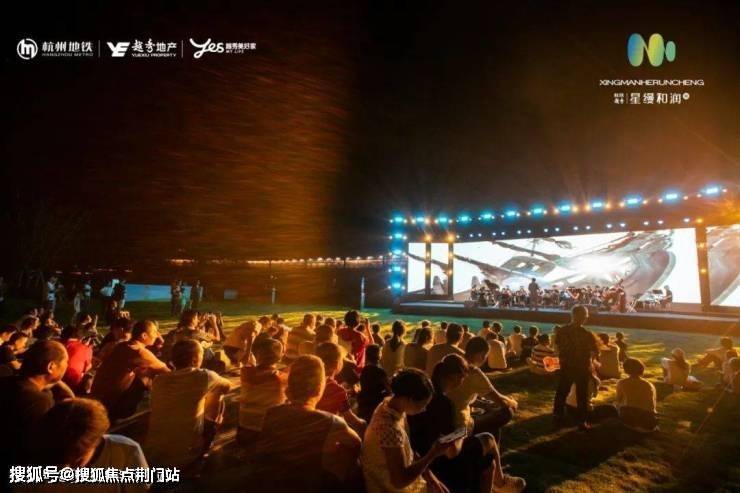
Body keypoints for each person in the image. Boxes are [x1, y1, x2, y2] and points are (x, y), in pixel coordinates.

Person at [409, 354, 526, 493]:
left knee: (489, 460)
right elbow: (452, 451)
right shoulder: (443, 403)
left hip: (422, 456)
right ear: (455, 377)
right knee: (488, 439)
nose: (462, 382)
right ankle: (500, 482)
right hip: (439, 462)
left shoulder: (425, 395)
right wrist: (462, 431)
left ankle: (499, 481)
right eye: (463, 378)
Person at [253, 355, 362, 493]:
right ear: (320, 387)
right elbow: (356, 443)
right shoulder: (331, 422)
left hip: (270, 482)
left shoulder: (271, 412)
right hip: (308, 484)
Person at [30, 398, 149, 493]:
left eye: (76, 462)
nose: (65, 470)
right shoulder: (37, 458)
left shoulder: (125, 451)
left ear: (96, 442)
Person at [145, 339, 232, 469]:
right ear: (195, 360)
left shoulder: (159, 380)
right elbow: (227, 386)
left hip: (153, 455)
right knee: (218, 393)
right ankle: (206, 444)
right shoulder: (205, 376)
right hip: (185, 457)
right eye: (202, 355)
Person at [363, 368, 451, 493]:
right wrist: (432, 454)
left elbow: (407, 451)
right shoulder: (389, 427)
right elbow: (399, 481)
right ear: (410, 399)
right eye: (423, 404)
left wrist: (430, 476)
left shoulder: (390, 406)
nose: (424, 409)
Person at [0, 340, 75, 471]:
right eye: (66, 361)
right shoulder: (39, 402)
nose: (67, 365)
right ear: (51, 367)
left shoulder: (6, 382)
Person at [91, 320, 169, 421]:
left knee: (142, 371)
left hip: (98, 397)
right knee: (147, 375)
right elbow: (166, 371)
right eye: (154, 332)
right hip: (110, 404)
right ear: (144, 335)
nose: (157, 335)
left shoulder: (122, 345)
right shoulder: (138, 351)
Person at [448, 337, 517, 442]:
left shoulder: (453, 364)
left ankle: (489, 446)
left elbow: (459, 397)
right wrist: (512, 402)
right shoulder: (474, 372)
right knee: (507, 411)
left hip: (443, 422)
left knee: (489, 409)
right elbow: (501, 401)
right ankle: (485, 445)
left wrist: (484, 405)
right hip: (459, 428)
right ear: (481, 355)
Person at [552, 305, 600, 431]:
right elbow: (595, 352)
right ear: (584, 317)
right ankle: (581, 421)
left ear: (572, 315)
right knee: (582, 395)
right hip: (582, 367)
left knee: (562, 391)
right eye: (585, 316)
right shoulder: (587, 334)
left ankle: (557, 415)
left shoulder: (562, 331)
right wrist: (590, 362)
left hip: (566, 366)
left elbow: (556, 349)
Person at [238, 331, 288, 447]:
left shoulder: (245, 373)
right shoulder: (281, 378)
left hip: (244, 424)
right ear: (280, 357)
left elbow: (246, 363)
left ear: (257, 355)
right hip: (266, 427)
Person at [315, 342, 367, 436]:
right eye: (342, 360)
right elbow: (351, 419)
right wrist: (364, 424)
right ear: (336, 364)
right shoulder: (338, 391)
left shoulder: (311, 382)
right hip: (327, 434)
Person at [615, 358, 658, 432]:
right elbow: (652, 405)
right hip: (648, 420)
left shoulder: (622, 383)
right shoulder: (649, 385)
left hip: (629, 418)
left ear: (626, 369)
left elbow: (618, 400)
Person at [357, 344, 391, 422]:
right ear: (379, 355)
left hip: (364, 404)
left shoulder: (365, 369)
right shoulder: (380, 371)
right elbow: (389, 390)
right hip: (375, 405)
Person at [61, 325, 94, 394]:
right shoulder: (85, 348)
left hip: (52, 380)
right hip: (72, 385)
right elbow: (86, 367)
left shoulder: (56, 344)